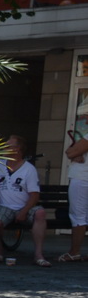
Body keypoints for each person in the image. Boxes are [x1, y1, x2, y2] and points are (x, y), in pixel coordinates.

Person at [0, 136, 49, 266]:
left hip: (25, 206)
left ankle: (38, 254)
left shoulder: (29, 169)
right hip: (4, 206)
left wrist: (24, 211)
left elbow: (34, 195)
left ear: (17, 150)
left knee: (40, 213)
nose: (4, 148)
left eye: (7, 146)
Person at [62, 106, 87, 263]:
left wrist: (74, 154)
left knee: (78, 216)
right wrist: (75, 153)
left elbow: (70, 152)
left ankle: (74, 252)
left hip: (82, 178)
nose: (85, 118)